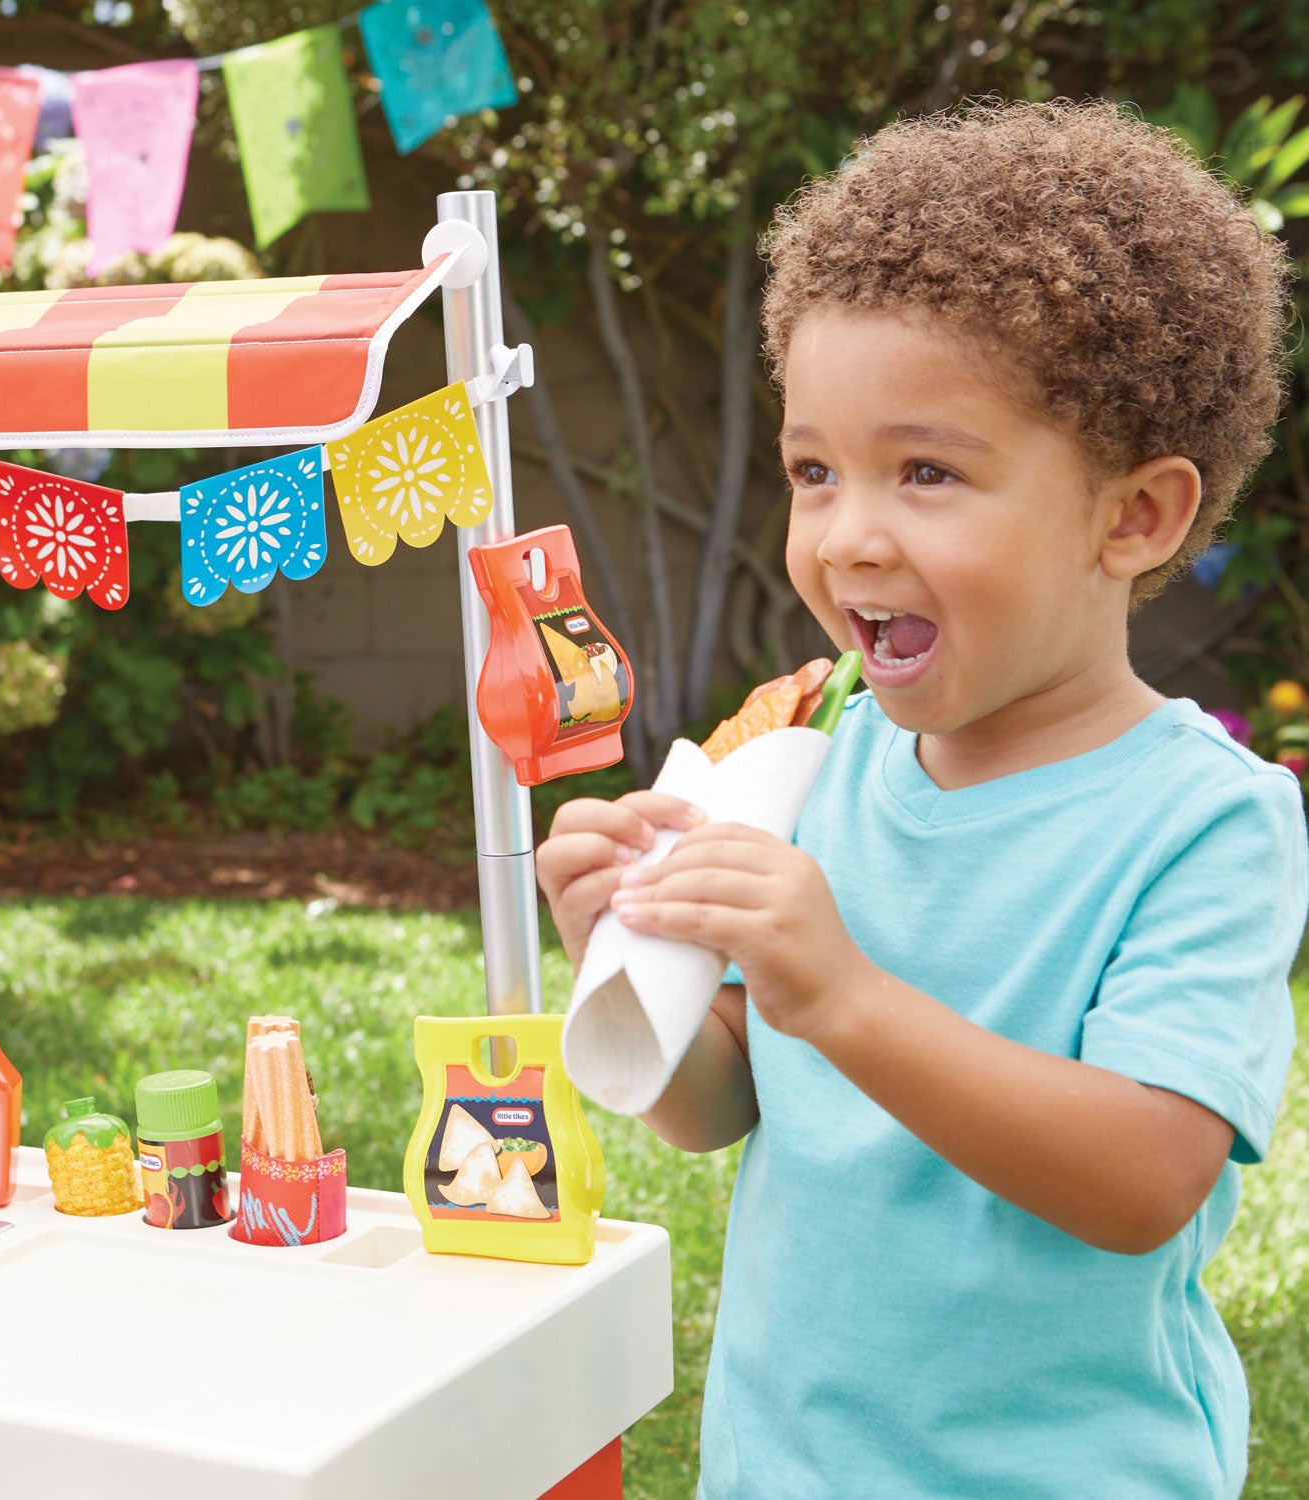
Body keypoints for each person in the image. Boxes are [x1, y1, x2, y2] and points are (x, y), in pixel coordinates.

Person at [535, 99, 1309, 1499]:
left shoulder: (1208, 822)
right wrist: (621, 952)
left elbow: (1144, 1181)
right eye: (814, 471)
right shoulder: (818, 748)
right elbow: (723, 1109)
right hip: (786, 1466)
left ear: (1133, 518)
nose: (846, 536)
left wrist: (842, 995)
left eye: (928, 472)